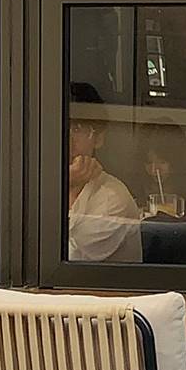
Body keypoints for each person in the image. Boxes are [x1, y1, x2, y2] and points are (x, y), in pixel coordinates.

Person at [66, 83, 141, 263]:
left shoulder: (112, 198)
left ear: (98, 139)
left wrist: (71, 187)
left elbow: (65, 259)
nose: (66, 139)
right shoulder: (39, 185)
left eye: (77, 129)